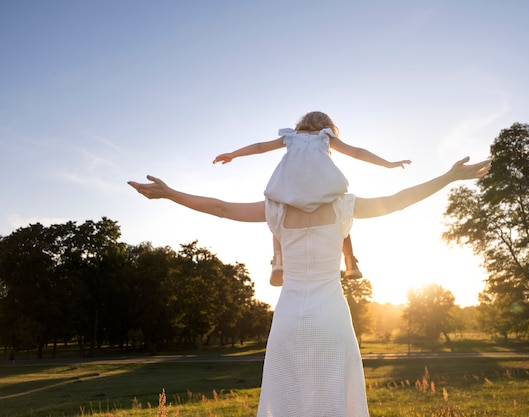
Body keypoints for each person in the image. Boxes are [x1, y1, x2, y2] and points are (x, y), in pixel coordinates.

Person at [128, 156, 491, 417]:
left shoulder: (276, 210)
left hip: (289, 315)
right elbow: (398, 201)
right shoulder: (344, 208)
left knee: (291, 399)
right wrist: (447, 177)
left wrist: (171, 193)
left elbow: (222, 208)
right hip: (331, 314)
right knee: (333, 396)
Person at [213, 111, 412, 286]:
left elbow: (259, 147)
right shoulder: (326, 137)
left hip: (290, 185)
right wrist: (388, 164)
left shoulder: (290, 137)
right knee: (341, 210)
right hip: (323, 184)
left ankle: (278, 261)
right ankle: (350, 261)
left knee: (277, 210)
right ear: (327, 125)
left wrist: (234, 154)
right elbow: (357, 152)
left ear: (302, 124)